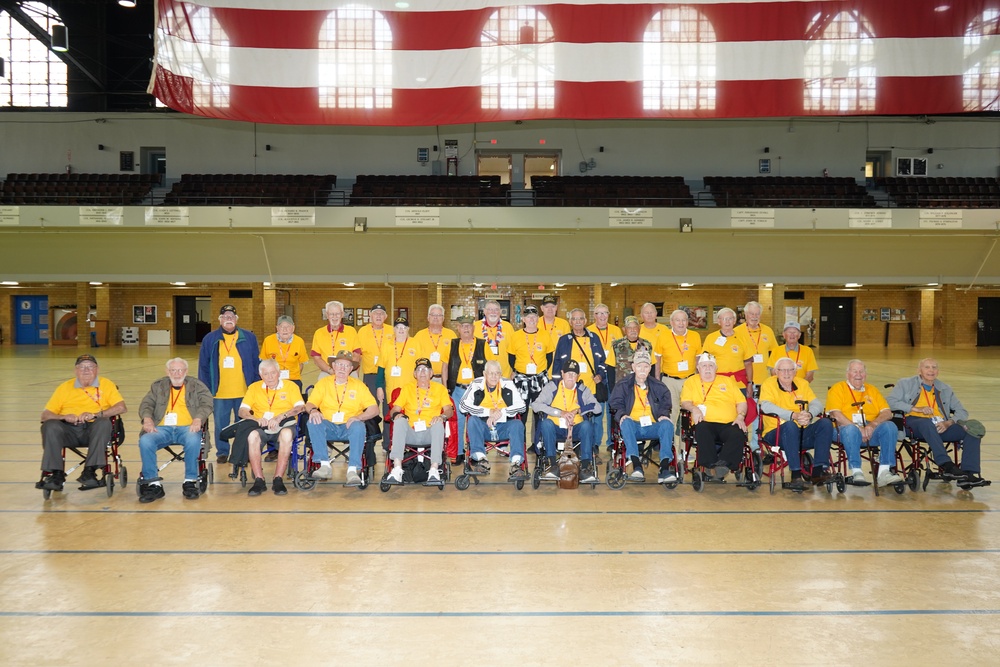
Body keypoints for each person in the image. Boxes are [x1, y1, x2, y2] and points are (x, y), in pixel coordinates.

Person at [887, 358, 990, 487]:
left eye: (934, 367)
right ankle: (946, 464)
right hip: (912, 423)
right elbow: (890, 401)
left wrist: (949, 422)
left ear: (938, 371)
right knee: (926, 423)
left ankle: (968, 473)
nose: (931, 370)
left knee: (971, 429)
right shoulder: (905, 383)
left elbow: (962, 411)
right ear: (919, 370)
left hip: (940, 425)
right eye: (927, 367)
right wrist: (915, 409)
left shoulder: (945, 388)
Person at [37, 354, 128, 492]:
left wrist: (96, 415)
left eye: (90, 366)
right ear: (76, 370)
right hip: (68, 431)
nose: (86, 370)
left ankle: (89, 472)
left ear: (97, 369)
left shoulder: (106, 384)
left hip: (94, 430)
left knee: (104, 423)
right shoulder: (64, 387)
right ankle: (56, 475)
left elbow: (122, 407)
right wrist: (63, 417)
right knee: (49, 425)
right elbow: (45, 415)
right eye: (82, 367)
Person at [137, 357, 213, 503]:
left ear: (186, 371)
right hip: (162, 428)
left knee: (193, 439)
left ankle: (190, 481)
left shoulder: (197, 385)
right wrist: (147, 418)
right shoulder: (158, 386)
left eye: (180, 370)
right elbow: (146, 404)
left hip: (187, 427)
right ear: (167, 371)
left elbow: (207, 403)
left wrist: (198, 418)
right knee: (145, 441)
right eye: (173, 370)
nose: (177, 374)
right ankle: (154, 483)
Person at [305, 351, 380, 486]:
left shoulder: (359, 385)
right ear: (333, 366)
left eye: (346, 366)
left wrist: (359, 417)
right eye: (339, 364)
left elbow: (374, 409)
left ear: (351, 369)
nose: (342, 368)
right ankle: (324, 465)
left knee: (359, 425)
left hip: (349, 427)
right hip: (329, 426)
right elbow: (310, 403)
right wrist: (313, 410)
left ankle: (352, 470)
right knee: (313, 421)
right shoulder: (323, 383)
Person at [759, 357, 834, 491]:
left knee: (825, 423)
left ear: (795, 372)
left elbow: (816, 403)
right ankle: (795, 475)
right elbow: (766, 406)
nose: (787, 373)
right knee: (790, 425)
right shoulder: (769, 383)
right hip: (775, 434)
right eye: (783, 370)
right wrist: (792, 415)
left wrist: (809, 414)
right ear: (776, 371)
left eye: (790, 370)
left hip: (801, 431)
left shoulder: (802, 384)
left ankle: (819, 471)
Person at [198, 304, 260, 464]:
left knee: (244, 425)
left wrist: (255, 387)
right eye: (225, 317)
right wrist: (205, 390)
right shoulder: (210, 339)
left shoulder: (248, 337)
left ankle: (240, 452)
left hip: (244, 392)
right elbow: (203, 366)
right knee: (221, 425)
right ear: (219, 319)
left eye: (231, 317)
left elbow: (255, 363)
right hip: (219, 393)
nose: (228, 319)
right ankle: (222, 452)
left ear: (236, 319)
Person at [826, 359, 903, 487]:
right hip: (844, 429)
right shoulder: (837, 388)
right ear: (847, 374)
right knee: (851, 430)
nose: (858, 374)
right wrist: (857, 427)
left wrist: (873, 425)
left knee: (890, 426)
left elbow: (887, 413)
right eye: (854, 371)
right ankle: (857, 472)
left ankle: (884, 472)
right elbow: (836, 414)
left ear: (865, 374)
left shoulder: (872, 389)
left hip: (870, 429)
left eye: (861, 371)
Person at [237, 359, 306, 496]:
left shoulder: (291, 386)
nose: (270, 377)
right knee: (252, 436)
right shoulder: (254, 388)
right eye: (266, 374)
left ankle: (278, 478)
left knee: (286, 434)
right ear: (260, 375)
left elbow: (300, 407)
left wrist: (281, 416)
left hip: (284, 425)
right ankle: (259, 479)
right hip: (261, 427)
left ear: (279, 373)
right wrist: (255, 419)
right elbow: (242, 411)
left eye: (273, 373)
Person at [608, 351, 676, 483]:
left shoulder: (659, 386)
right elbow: (615, 403)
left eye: (646, 366)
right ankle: (636, 465)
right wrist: (622, 415)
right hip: (633, 425)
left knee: (667, 424)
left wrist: (663, 415)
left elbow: (666, 403)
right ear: (633, 367)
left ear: (650, 368)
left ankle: (664, 468)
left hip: (652, 425)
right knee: (625, 421)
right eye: (639, 366)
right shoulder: (623, 385)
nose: (642, 369)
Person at [531, 359, 602, 484]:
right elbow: (536, 405)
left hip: (576, 429)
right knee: (546, 424)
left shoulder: (583, 390)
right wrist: (560, 413)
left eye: (574, 374)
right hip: (556, 428)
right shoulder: (552, 387)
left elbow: (597, 408)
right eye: (568, 373)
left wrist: (579, 410)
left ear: (578, 376)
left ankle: (585, 467)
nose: (571, 376)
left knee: (587, 425)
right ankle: (553, 465)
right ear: (562, 373)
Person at [679, 353, 748, 480]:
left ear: (716, 368)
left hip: (729, 423)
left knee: (738, 432)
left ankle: (723, 465)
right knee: (702, 429)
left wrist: (740, 416)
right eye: (704, 366)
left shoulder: (727, 381)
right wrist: (694, 408)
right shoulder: (691, 382)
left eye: (711, 366)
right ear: (698, 368)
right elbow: (685, 402)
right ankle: (709, 465)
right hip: (705, 422)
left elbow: (741, 401)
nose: (707, 368)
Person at [386, 358, 455, 486]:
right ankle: (397, 469)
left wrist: (442, 417)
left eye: (426, 369)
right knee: (399, 422)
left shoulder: (440, 389)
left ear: (431, 373)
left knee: (439, 424)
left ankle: (434, 469)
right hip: (411, 432)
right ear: (414, 374)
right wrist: (397, 414)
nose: (422, 372)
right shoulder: (407, 388)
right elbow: (394, 409)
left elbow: (449, 410)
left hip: (430, 431)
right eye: (419, 369)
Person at [459, 360, 528, 480]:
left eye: (497, 373)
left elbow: (522, 406)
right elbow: (462, 406)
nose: (494, 376)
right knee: (472, 421)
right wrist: (487, 412)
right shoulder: (476, 384)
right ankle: (481, 460)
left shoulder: (508, 384)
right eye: (491, 373)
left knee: (517, 424)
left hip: (503, 427)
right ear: (484, 374)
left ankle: (516, 465)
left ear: (501, 374)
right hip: (483, 426)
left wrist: (501, 413)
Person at [552, 308, 608, 447]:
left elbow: (603, 361)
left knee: (595, 420)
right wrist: (557, 384)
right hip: (572, 390)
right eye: (574, 319)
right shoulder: (564, 340)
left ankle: (594, 447)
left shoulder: (594, 338)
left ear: (585, 321)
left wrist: (600, 375)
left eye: (581, 319)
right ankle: (573, 446)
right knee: (575, 418)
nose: (578, 322)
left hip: (592, 387)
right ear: (570, 322)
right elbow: (557, 364)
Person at [506, 305, 553, 446]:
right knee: (522, 413)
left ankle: (537, 444)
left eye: (534, 316)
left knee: (540, 413)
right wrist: (518, 370)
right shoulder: (516, 336)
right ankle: (521, 444)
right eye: (528, 317)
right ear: (524, 319)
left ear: (538, 319)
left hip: (540, 379)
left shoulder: (545, 335)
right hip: (522, 379)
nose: (531, 319)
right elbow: (511, 358)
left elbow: (549, 357)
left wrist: (539, 371)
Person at [734, 301, 776, 452]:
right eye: (751, 314)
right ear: (745, 315)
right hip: (744, 381)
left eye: (757, 314)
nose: (754, 317)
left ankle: (756, 445)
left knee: (760, 415)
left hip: (764, 381)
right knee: (743, 413)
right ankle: (740, 444)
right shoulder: (737, 332)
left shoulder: (767, 331)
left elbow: (775, 355)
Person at [446, 315, 487, 459]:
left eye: (469, 326)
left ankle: (475, 454)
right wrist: (446, 387)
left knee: (475, 422)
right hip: (457, 390)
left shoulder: (482, 344)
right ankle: (458, 453)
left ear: (474, 328)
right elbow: (446, 366)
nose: (466, 328)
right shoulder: (452, 344)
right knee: (458, 422)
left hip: (476, 391)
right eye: (463, 326)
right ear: (458, 328)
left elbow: (488, 368)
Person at [656, 309, 702, 427]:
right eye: (677, 320)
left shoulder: (695, 336)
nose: (681, 323)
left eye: (684, 320)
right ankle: (670, 443)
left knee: (688, 413)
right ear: (671, 322)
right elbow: (657, 360)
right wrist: (657, 381)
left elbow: (698, 360)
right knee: (671, 412)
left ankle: (684, 444)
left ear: (687, 322)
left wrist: (699, 380)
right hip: (669, 380)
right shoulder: (663, 336)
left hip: (690, 380)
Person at [588, 303, 623, 446]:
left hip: (613, 372)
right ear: (594, 316)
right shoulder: (588, 331)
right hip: (596, 375)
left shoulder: (616, 330)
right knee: (597, 411)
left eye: (605, 313)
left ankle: (611, 442)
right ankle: (595, 443)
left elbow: (621, 352)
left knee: (612, 409)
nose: (602, 316)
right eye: (599, 313)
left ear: (609, 314)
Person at [310, 300, 361, 378]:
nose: (334, 317)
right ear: (327, 315)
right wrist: (330, 370)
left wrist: (346, 369)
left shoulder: (351, 331)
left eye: (337, 314)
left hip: (348, 371)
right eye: (331, 314)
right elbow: (316, 358)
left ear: (342, 314)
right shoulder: (319, 333)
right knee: (321, 385)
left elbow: (357, 354)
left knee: (355, 387)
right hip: (327, 371)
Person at [376, 316, 419, 409]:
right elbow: (381, 369)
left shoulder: (415, 343)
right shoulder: (386, 345)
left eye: (404, 327)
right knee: (391, 417)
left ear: (408, 329)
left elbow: (421, 367)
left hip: (411, 389)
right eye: (398, 327)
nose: (401, 330)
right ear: (394, 329)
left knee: (410, 417)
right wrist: (379, 387)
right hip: (391, 390)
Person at [258, 315, 309, 391]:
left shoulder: (299, 341)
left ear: (293, 328)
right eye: (281, 327)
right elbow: (263, 363)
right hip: (273, 379)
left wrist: (293, 375)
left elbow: (301, 363)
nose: (285, 330)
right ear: (277, 328)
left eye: (288, 326)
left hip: (293, 379)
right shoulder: (268, 341)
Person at [413, 303, 457, 384]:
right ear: (428, 317)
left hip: (446, 378)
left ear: (443, 318)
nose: (436, 317)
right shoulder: (419, 335)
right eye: (433, 314)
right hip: (425, 379)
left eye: (439, 315)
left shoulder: (451, 335)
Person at [357, 303, 389, 402]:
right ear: (370, 315)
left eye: (381, 313)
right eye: (376, 313)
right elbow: (358, 356)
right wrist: (356, 378)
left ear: (386, 316)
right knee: (370, 406)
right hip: (370, 376)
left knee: (388, 407)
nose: (378, 316)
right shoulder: (363, 331)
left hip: (388, 375)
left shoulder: (392, 331)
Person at [475, 299, 515, 377]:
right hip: (482, 374)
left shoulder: (508, 327)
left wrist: (514, 371)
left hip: (505, 374)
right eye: (490, 309)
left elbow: (514, 351)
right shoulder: (475, 326)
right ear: (484, 311)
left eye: (496, 310)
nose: (493, 312)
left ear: (500, 312)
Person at [610, 316, 654, 383]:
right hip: (622, 387)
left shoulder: (647, 345)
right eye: (629, 327)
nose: (632, 330)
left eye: (635, 327)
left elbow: (652, 366)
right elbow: (610, 369)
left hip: (642, 386)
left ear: (639, 328)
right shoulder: (616, 346)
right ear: (624, 329)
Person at [539, 295, 570, 366]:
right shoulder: (536, 323)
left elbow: (568, 346)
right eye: (547, 307)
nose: (550, 309)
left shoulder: (564, 324)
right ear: (542, 308)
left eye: (552, 306)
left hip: (559, 363)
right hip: (540, 364)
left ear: (556, 307)